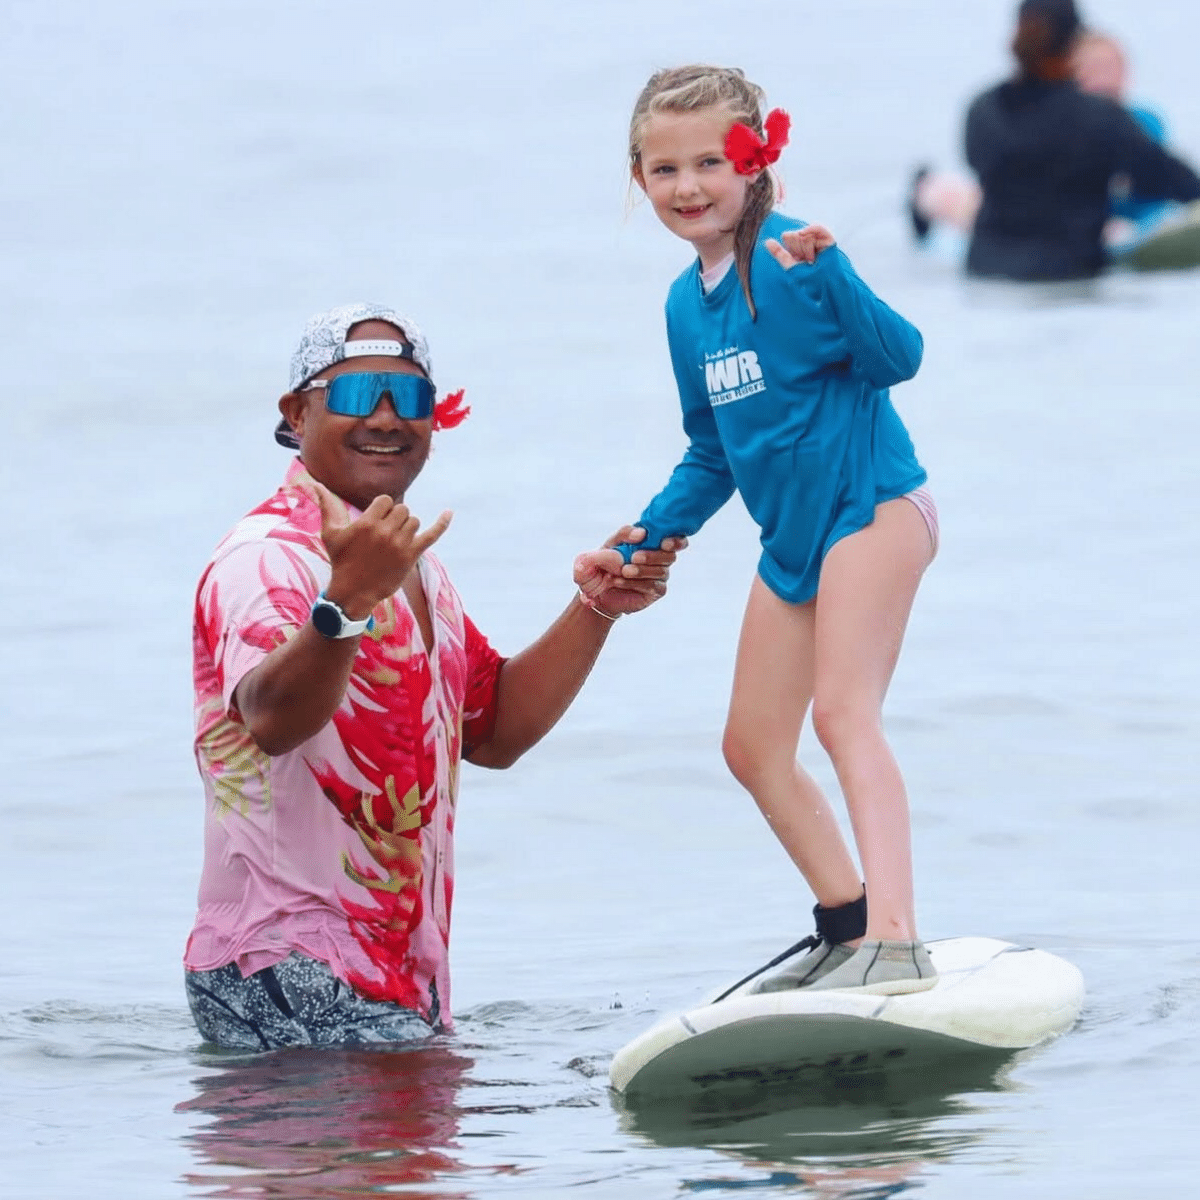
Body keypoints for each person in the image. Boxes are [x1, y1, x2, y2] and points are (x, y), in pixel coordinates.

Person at [184, 302, 685, 1050]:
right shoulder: (266, 557)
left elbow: (493, 729)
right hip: (278, 968)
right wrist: (346, 599)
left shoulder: (415, 569)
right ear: (296, 413)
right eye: (356, 396)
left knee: (437, 1158)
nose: (386, 419)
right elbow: (270, 718)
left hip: (393, 981)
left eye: (410, 398)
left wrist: (594, 609)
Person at [583, 65, 939, 995]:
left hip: (876, 509)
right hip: (792, 546)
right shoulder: (682, 306)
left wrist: (837, 272)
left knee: (842, 713)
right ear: (639, 177)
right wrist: (641, 540)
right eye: (664, 169)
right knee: (750, 747)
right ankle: (846, 922)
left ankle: (895, 943)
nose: (689, 186)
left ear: (754, 160)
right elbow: (712, 453)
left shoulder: (794, 256)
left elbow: (898, 357)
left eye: (710, 161)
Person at [910, 14, 1197, 264]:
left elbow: (1168, 178)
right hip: (1037, 224)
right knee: (959, 196)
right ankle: (923, 190)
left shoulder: (1141, 121)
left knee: (1117, 228)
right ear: (1071, 72)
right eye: (1094, 68)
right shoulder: (1061, 119)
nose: (1105, 77)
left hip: (1114, 223)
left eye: (1113, 66)